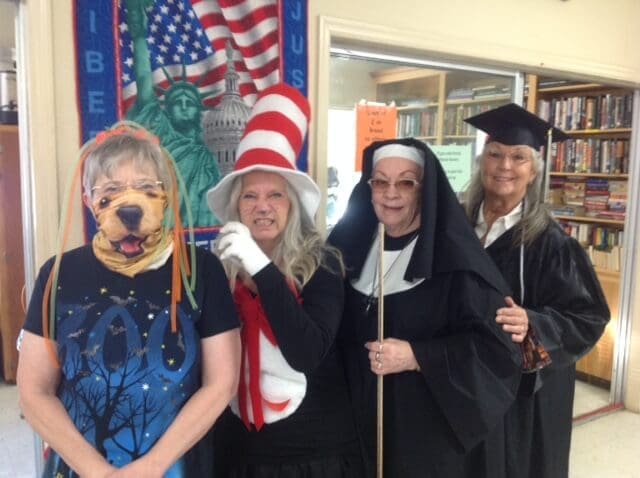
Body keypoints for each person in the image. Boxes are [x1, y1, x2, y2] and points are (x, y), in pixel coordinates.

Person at [16, 121, 241, 477]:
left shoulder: (200, 270)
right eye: (111, 191)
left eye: (145, 187)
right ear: (89, 201)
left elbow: (221, 383)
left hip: (175, 467)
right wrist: (99, 472)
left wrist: (152, 467)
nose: (129, 202)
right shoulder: (58, 274)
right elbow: (33, 391)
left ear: (166, 194)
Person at [328, 137, 523, 477]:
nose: (391, 194)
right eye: (380, 182)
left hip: (426, 434)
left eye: (406, 182)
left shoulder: (458, 263)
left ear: (424, 190)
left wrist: (418, 356)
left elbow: (497, 351)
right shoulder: (348, 246)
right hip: (355, 426)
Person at [206, 83, 364, 477]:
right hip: (238, 450)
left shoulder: (324, 264)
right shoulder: (216, 269)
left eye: (275, 195)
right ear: (235, 207)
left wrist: (260, 266)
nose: (262, 207)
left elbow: (307, 352)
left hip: (311, 454)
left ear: (292, 205)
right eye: (250, 196)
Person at [463, 103, 610, 478]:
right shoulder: (459, 226)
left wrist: (535, 323)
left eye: (518, 157)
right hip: (463, 377)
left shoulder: (552, 243)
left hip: (521, 396)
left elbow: (590, 317)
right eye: (495, 154)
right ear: (483, 161)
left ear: (534, 172)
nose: (505, 166)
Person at [125, 0, 221, 227]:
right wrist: (139, 36)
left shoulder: (206, 157)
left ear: (199, 110)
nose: (186, 105)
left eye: (191, 102)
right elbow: (143, 80)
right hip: (166, 236)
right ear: (166, 111)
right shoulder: (162, 133)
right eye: (178, 102)